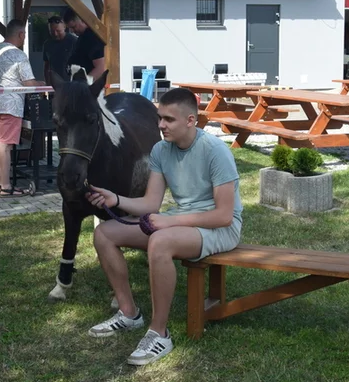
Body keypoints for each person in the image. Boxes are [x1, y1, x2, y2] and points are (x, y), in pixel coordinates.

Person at [85, 87, 243, 366]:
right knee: (104, 233)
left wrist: (169, 222)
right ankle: (129, 313)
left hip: (219, 229)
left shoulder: (216, 151)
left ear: (191, 121)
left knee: (160, 241)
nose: (160, 125)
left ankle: (159, 333)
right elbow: (150, 203)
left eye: (169, 119)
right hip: (181, 222)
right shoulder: (161, 150)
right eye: (160, 118)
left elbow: (224, 216)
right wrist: (116, 198)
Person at [0, 20, 48, 197]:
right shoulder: (19, 55)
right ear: (21, 34)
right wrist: (41, 84)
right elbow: (29, 83)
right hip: (11, 104)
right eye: (25, 34)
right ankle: (6, 186)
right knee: (6, 146)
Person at [64, 7, 106, 80]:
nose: (72, 31)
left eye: (74, 27)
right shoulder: (83, 37)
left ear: (83, 20)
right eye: (70, 28)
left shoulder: (93, 38)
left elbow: (101, 67)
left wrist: (85, 85)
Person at [42, 14, 77, 82]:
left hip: (71, 84)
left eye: (58, 31)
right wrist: (48, 82)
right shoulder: (47, 44)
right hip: (54, 85)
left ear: (64, 27)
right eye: (52, 31)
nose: (55, 34)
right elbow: (47, 65)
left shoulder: (74, 42)